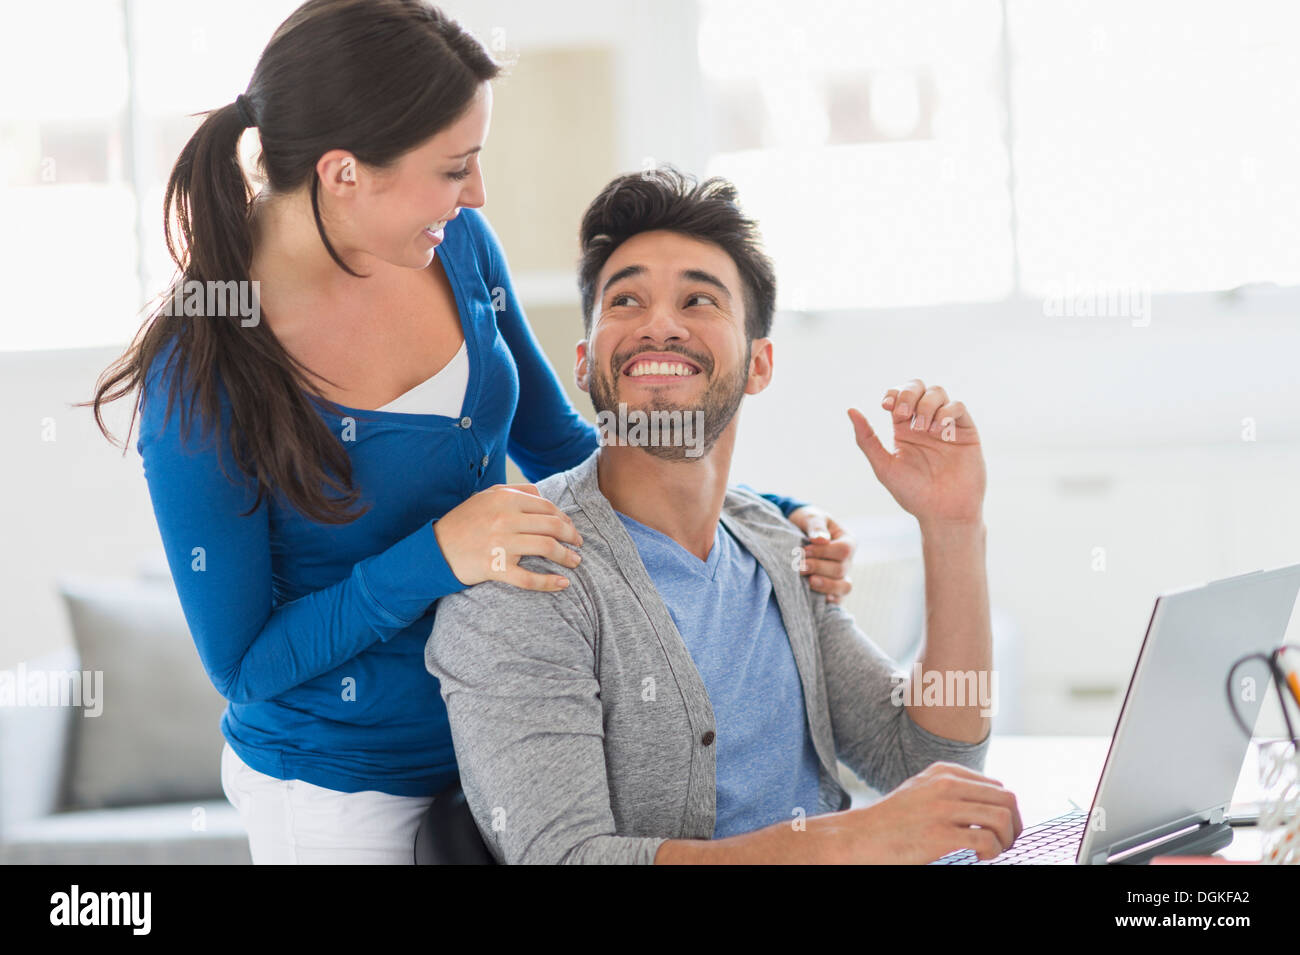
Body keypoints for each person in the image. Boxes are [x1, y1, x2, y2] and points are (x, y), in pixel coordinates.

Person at [86, 0, 853, 864]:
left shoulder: (455, 247)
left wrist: (767, 514)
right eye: (455, 167)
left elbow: (562, 442)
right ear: (343, 172)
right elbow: (245, 665)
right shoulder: (201, 376)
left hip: (500, 743)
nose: (477, 193)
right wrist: (440, 553)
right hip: (346, 787)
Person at [425, 166, 1022, 864]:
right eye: (626, 299)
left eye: (699, 300)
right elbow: (567, 858)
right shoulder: (528, 567)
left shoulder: (775, 545)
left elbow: (929, 751)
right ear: (586, 364)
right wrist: (847, 841)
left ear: (760, 363)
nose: (659, 324)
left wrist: (951, 528)